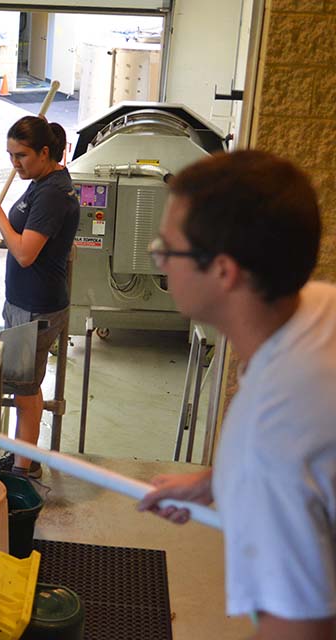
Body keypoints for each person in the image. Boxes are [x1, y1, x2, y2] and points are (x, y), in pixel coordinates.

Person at [137, 150, 335, 639]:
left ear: (224, 271)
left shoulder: (269, 435)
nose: (159, 260)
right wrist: (218, 480)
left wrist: (243, 474)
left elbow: (301, 630)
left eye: (168, 248)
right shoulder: (318, 305)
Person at [0, 116, 79, 478]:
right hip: (29, 302)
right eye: (10, 155)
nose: (14, 164)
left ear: (44, 151)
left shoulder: (53, 193)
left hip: (36, 307)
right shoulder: (45, 180)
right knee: (30, 385)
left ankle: (23, 468)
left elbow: (25, 253)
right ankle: (27, 456)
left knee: (23, 390)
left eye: (21, 155)